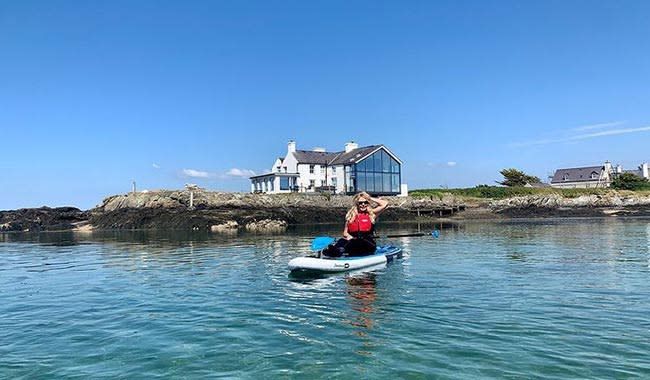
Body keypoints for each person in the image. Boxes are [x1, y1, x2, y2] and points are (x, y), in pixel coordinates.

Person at [321, 192, 388, 257]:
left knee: (358, 241)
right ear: (357, 204)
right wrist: (349, 237)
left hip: (368, 244)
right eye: (360, 203)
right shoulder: (350, 216)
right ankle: (334, 251)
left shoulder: (372, 214)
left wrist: (369, 198)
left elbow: (385, 203)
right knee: (342, 241)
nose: (363, 204)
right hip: (352, 243)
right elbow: (345, 233)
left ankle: (339, 251)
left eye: (365, 202)